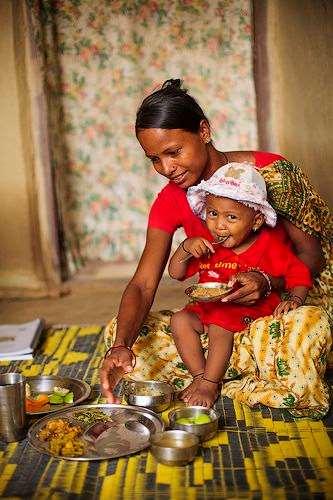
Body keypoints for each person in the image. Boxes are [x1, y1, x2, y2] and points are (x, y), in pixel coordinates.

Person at [100, 79, 332, 417]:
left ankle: (232, 370)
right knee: (121, 334)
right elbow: (143, 283)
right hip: (221, 320)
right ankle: (230, 370)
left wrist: (269, 283)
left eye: (173, 152)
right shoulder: (170, 200)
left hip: (281, 309)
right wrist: (121, 345)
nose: (167, 169)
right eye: (154, 159)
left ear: (204, 131)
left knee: (306, 328)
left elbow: (314, 255)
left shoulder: (271, 174)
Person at [168, 162, 312, 407]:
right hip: (209, 309)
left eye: (231, 217)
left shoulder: (268, 245)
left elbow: (300, 275)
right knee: (179, 320)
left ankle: (210, 386)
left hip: (248, 314)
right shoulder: (209, 246)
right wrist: (184, 248)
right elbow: (175, 272)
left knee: (219, 325)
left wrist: (295, 299)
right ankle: (200, 376)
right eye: (213, 214)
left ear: (255, 221)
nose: (219, 225)